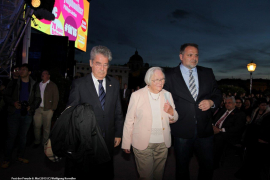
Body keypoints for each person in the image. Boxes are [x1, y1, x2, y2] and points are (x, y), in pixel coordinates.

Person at [164, 43, 222, 180]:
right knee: (182, 167)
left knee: (208, 165)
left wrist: (211, 102)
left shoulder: (207, 73)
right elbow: (162, 98)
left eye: (196, 55)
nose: (194, 58)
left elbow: (218, 93)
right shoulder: (169, 75)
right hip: (181, 129)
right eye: (190, 55)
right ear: (181, 56)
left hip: (205, 129)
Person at [67, 45, 124, 179]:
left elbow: (118, 111)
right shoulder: (79, 84)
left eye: (105, 65)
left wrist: (118, 133)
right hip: (87, 140)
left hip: (108, 138)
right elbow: (71, 112)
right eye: (98, 64)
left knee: (106, 171)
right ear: (91, 63)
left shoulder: (114, 84)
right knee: (87, 172)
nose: (102, 69)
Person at [122, 67, 178, 180]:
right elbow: (129, 120)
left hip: (162, 144)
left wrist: (172, 112)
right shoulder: (137, 95)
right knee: (146, 176)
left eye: (162, 79)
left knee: (159, 175)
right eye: (156, 79)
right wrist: (126, 142)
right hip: (143, 144)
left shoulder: (167, 95)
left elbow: (174, 118)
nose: (160, 82)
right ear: (148, 80)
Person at [1, 64, 41, 168]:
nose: (21, 71)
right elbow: (6, 96)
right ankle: (6, 159)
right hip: (14, 113)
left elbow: (37, 98)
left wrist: (31, 107)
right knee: (11, 137)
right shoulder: (13, 83)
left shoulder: (34, 84)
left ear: (29, 72)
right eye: (20, 69)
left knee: (23, 137)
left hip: (27, 115)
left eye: (24, 69)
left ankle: (20, 156)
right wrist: (13, 103)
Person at [212, 97, 246, 168]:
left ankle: (214, 163)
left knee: (218, 138)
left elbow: (237, 128)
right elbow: (214, 119)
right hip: (217, 130)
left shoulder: (240, 114)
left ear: (234, 104)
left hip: (231, 134)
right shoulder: (223, 110)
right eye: (226, 103)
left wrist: (220, 130)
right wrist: (212, 126)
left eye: (229, 103)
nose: (227, 104)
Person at [33, 70, 59, 148]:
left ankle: (45, 143)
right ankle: (37, 141)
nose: (43, 75)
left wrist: (53, 108)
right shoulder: (38, 85)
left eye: (45, 73)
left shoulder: (52, 85)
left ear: (49, 76)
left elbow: (56, 97)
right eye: (42, 73)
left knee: (46, 127)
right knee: (36, 126)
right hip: (38, 109)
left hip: (48, 109)